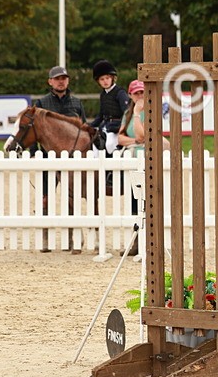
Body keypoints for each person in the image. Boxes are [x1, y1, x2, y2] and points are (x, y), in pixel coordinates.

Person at [34, 66, 87, 253]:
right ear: (50, 81)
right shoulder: (41, 103)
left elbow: (83, 129)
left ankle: (72, 238)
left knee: (71, 199)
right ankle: (45, 238)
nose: (61, 81)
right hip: (49, 159)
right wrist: (35, 154)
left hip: (72, 160)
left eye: (64, 78)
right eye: (57, 79)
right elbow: (34, 131)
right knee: (45, 199)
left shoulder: (76, 103)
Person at [90, 60, 131, 194]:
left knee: (109, 144)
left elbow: (127, 112)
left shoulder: (120, 93)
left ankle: (113, 175)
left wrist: (122, 128)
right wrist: (89, 126)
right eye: (102, 79)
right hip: (105, 126)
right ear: (98, 81)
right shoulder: (103, 95)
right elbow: (101, 115)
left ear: (112, 78)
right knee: (94, 145)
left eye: (107, 78)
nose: (105, 81)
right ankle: (98, 173)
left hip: (117, 126)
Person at [117, 80, 147, 257]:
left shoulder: (147, 112)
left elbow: (142, 135)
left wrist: (137, 113)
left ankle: (144, 241)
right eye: (136, 93)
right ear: (130, 95)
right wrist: (135, 141)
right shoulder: (128, 113)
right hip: (132, 160)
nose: (140, 96)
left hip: (145, 160)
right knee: (133, 202)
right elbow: (121, 138)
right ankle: (136, 240)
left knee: (146, 200)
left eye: (142, 92)